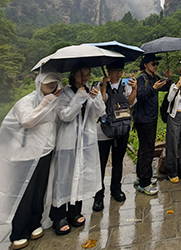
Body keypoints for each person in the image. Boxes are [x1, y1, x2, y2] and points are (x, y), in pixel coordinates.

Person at [0, 71, 63, 250]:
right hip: (26, 155)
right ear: (39, 83)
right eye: (48, 83)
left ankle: (35, 223)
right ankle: (19, 232)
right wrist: (48, 101)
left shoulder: (54, 100)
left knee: (39, 191)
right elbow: (28, 121)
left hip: (45, 152)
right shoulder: (27, 101)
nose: (52, 86)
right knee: (24, 193)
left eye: (55, 82)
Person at [50, 64, 105, 235]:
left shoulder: (91, 90)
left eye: (87, 74)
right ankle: (59, 215)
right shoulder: (65, 93)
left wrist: (95, 98)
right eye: (82, 75)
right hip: (68, 142)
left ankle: (74, 212)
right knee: (63, 177)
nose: (85, 78)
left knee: (80, 175)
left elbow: (100, 112)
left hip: (86, 141)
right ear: (73, 75)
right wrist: (79, 97)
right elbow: (65, 115)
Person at [93, 61, 137, 212]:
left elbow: (130, 103)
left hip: (122, 129)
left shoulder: (125, 85)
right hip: (104, 130)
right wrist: (104, 86)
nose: (119, 74)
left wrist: (134, 89)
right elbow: (100, 103)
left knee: (118, 160)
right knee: (101, 163)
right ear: (108, 71)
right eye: (115, 71)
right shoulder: (98, 85)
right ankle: (98, 195)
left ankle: (116, 189)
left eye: (121, 71)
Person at [134, 53, 171, 195]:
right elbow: (139, 96)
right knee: (147, 150)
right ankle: (145, 183)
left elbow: (164, 88)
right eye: (153, 63)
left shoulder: (154, 77)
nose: (156, 66)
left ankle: (141, 177)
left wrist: (167, 79)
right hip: (144, 119)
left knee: (145, 149)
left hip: (151, 117)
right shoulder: (141, 78)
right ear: (145, 65)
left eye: (157, 64)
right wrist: (153, 88)